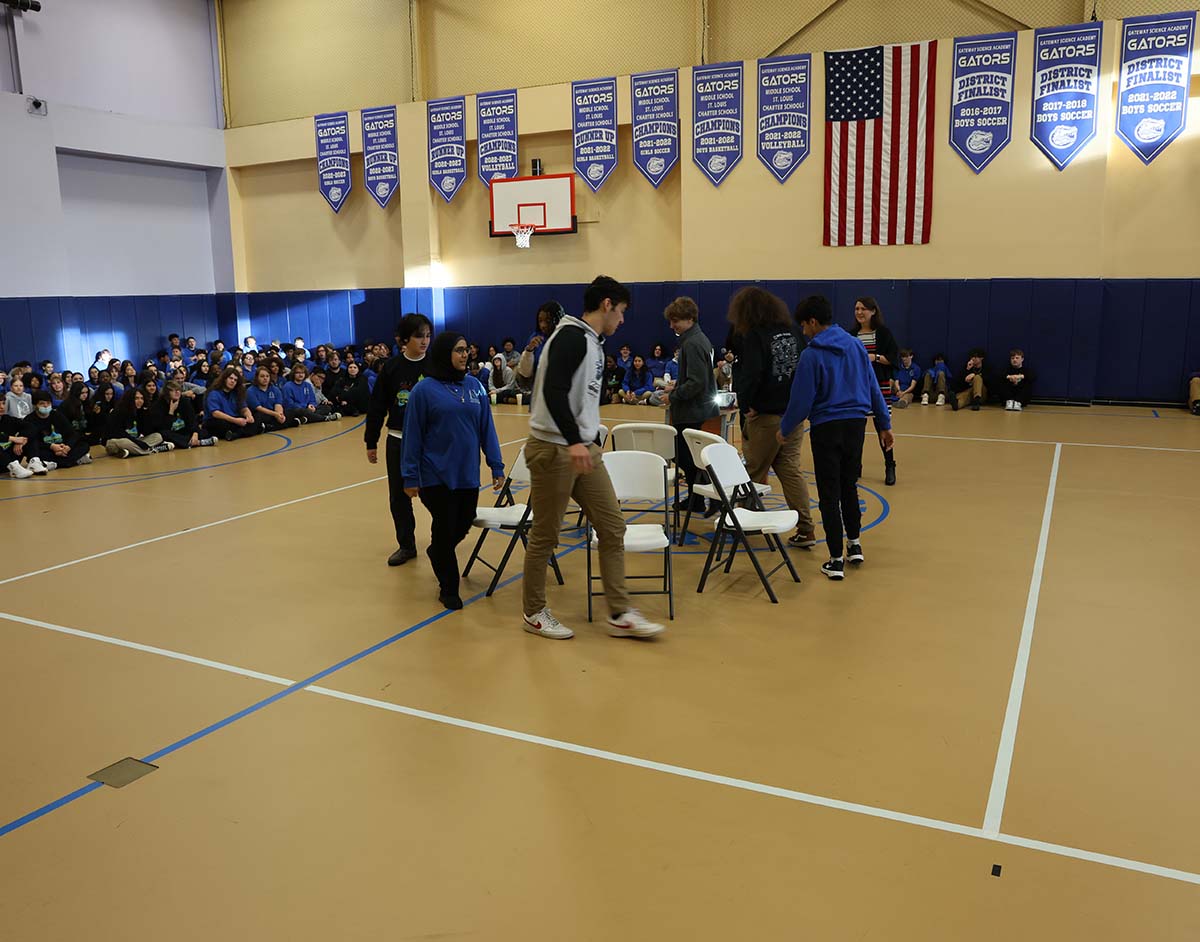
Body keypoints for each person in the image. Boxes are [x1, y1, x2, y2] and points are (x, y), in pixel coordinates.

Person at [522, 274, 664, 641]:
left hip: (583, 447)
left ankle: (619, 613)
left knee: (613, 525)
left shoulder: (590, 340)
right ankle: (534, 611)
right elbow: (554, 392)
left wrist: (583, 441)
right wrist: (573, 442)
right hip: (557, 448)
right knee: (546, 534)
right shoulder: (571, 336)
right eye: (621, 312)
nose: (622, 320)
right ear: (606, 305)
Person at [780, 296, 893, 581]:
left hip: (827, 427)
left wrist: (784, 429)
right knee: (848, 486)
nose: (803, 331)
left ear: (814, 322)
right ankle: (854, 545)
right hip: (856, 425)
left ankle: (834, 560)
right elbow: (872, 387)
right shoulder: (856, 346)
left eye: (804, 325)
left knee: (829, 494)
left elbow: (801, 401)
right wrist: (884, 424)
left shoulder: (811, 354)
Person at [401, 333, 505, 611]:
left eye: (466, 350)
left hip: (467, 474)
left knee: (463, 522)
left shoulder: (475, 387)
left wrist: (496, 464)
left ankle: (437, 551)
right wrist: (409, 477)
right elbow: (413, 436)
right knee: (446, 528)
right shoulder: (424, 391)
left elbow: (487, 428)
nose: (464, 355)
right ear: (445, 352)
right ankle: (449, 587)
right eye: (458, 350)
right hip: (434, 475)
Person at [726, 286, 816, 548]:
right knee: (790, 470)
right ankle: (806, 528)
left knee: (751, 470)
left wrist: (746, 404)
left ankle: (740, 525)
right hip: (792, 414)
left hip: (765, 416)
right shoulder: (795, 333)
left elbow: (751, 374)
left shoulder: (756, 336)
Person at [365, 313, 432, 567]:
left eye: (427, 335)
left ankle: (441, 542)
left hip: (429, 443)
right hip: (398, 440)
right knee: (399, 496)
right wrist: (371, 441)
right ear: (404, 340)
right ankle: (406, 545)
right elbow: (377, 406)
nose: (424, 340)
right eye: (418, 336)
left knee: (433, 493)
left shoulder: (436, 366)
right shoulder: (392, 368)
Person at [659, 296, 719, 513]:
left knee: (686, 456)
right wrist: (678, 383)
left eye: (675, 320)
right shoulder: (696, 339)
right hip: (697, 409)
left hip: (692, 411)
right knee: (690, 457)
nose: (672, 325)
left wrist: (673, 395)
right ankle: (697, 499)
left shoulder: (692, 343)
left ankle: (711, 496)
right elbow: (696, 377)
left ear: (689, 318)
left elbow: (697, 382)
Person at [849, 297, 898, 486]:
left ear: (873, 311)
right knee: (856, 430)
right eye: (856, 309)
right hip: (857, 387)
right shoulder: (852, 334)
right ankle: (855, 466)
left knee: (882, 428)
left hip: (880, 386)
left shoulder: (883, 333)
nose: (859, 312)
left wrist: (875, 357)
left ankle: (890, 465)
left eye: (863, 309)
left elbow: (893, 358)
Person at [23, 390, 91, 468]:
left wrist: (67, 447)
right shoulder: (29, 420)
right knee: (33, 452)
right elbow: (32, 442)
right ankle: (72, 461)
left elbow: (72, 433)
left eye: (48, 403)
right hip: (47, 449)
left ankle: (54, 464)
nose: (46, 406)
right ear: (35, 405)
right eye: (42, 403)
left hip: (63, 447)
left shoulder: (57, 415)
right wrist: (51, 446)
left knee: (84, 445)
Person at [105, 388, 174, 457]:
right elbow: (119, 433)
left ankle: (131, 452)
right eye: (136, 398)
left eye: (142, 398)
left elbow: (146, 431)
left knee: (158, 436)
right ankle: (154, 449)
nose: (140, 401)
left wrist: (146, 414)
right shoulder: (118, 412)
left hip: (136, 440)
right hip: (118, 440)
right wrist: (137, 442)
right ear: (130, 399)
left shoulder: (140, 412)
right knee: (121, 443)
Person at [205, 367, 262, 441]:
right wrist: (235, 420)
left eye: (235, 380)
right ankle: (245, 432)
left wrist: (249, 416)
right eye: (230, 378)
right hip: (221, 420)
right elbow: (215, 413)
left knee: (257, 415)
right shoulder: (214, 393)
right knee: (221, 424)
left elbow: (243, 408)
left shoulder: (237, 393)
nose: (232, 381)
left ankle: (235, 434)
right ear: (225, 379)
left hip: (235, 419)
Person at [154, 380, 215, 448]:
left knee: (204, 431)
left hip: (184, 431)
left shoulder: (184, 402)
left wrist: (195, 433)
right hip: (172, 432)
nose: (177, 392)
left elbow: (192, 420)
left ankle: (190, 441)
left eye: (178, 390)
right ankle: (197, 442)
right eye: (173, 390)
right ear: (167, 393)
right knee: (164, 434)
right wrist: (171, 411)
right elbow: (163, 427)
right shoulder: (159, 405)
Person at [247, 366, 302, 430]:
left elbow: (278, 404)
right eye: (262, 376)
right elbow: (259, 408)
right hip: (262, 413)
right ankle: (291, 423)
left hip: (273, 413)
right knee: (258, 417)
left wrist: (280, 414)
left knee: (290, 412)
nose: (265, 378)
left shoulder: (275, 389)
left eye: (267, 376)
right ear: (257, 378)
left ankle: (268, 427)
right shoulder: (251, 391)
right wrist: (275, 414)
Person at [1, 393, 34, 477]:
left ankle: (35, 461)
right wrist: (12, 438)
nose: (2, 407)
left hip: (10, 459)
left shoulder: (7, 419)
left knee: (28, 437)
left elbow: (31, 426)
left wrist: (20, 441)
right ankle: (14, 467)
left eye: (3, 403)